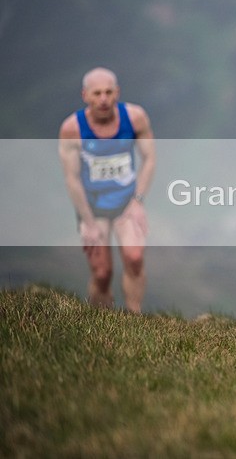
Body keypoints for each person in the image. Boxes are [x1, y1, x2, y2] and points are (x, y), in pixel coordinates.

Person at [58, 67, 156, 313]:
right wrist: (88, 222)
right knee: (102, 272)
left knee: (134, 259)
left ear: (117, 93)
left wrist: (138, 202)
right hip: (92, 206)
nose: (103, 99)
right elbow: (72, 179)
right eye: (97, 93)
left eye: (108, 92)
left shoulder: (135, 118)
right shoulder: (72, 129)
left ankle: (135, 319)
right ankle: (101, 325)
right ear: (85, 95)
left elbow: (150, 159)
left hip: (126, 202)